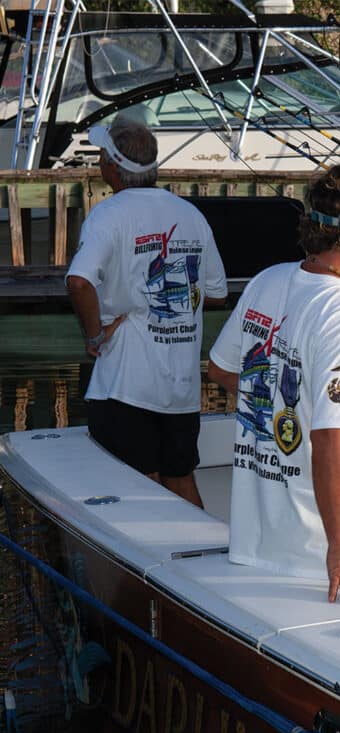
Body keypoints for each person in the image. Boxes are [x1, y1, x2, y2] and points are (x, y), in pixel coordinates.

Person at [208, 160, 340, 607]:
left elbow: (219, 370)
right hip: (334, 568)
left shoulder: (267, 282)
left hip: (261, 549)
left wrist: (279, 404)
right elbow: (331, 436)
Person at [66, 115, 227, 507]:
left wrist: (94, 335)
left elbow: (79, 282)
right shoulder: (190, 215)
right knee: (179, 477)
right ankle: (202, 559)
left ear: (112, 166)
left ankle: (140, 569)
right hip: (181, 389)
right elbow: (217, 293)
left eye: (103, 154)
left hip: (125, 382)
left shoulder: (108, 215)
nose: (100, 160)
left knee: (139, 488)